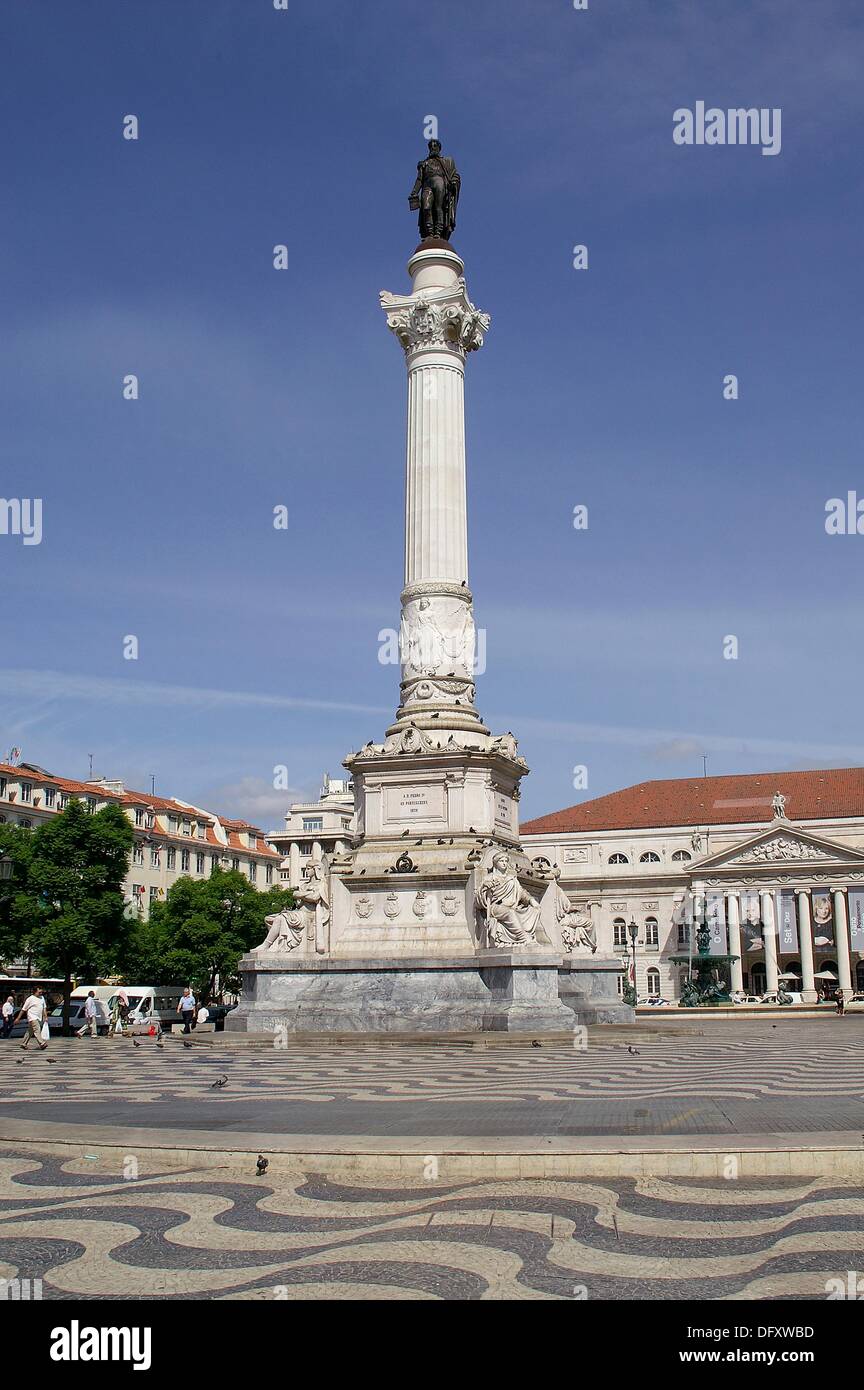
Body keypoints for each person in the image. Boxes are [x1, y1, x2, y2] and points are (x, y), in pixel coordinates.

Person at [15, 986, 47, 1051]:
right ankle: (42, 1043)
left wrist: (45, 1016)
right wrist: (18, 1018)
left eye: (41, 992)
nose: (41, 993)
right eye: (39, 992)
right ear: (35, 992)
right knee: (37, 1029)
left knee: (30, 1031)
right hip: (32, 1017)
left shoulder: (42, 998)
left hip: (39, 1017)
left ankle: (24, 1044)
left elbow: (44, 1008)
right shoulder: (30, 999)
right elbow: (23, 1009)